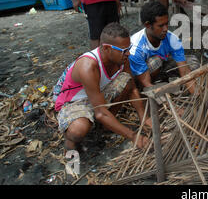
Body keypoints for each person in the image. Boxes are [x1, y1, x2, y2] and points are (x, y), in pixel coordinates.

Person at [53, 23, 152, 151]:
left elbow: (132, 88)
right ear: (106, 48)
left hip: (96, 94)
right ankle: (70, 145)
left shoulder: (122, 59)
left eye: (129, 48)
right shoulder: (88, 66)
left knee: (126, 80)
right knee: (78, 130)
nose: (128, 53)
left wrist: (144, 118)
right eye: (124, 50)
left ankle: (105, 127)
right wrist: (133, 136)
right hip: (73, 101)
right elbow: (100, 112)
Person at [129, 0, 197, 95]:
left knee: (192, 63)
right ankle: (147, 93)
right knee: (156, 61)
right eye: (161, 26)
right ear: (148, 25)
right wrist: (169, 104)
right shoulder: (136, 47)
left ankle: (188, 93)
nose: (165, 29)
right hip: (141, 77)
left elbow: (185, 71)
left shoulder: (172, 39)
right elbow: (146, 83)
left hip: (161, 69)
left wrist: (198, 97)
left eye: (166, 24)